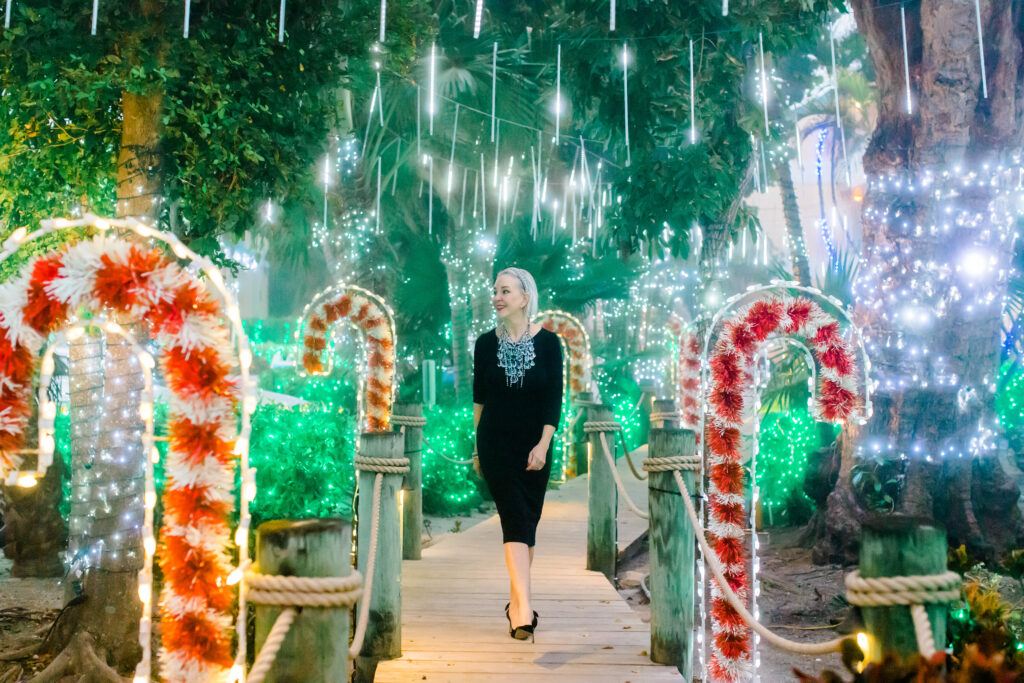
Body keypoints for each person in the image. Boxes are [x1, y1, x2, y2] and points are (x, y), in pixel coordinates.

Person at [472, 267, 563, 643]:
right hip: (495, 444)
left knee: (526, 523)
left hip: (534, 447)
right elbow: (479, 400)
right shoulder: (483, 344)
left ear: (525, 298)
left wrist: (543, 445)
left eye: (505, 291)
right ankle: (524, 608)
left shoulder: (549, 344)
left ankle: (515, 605)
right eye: (495, 290)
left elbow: (553, 400)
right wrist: (476, 447)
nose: (497, 296)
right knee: (513, 516)